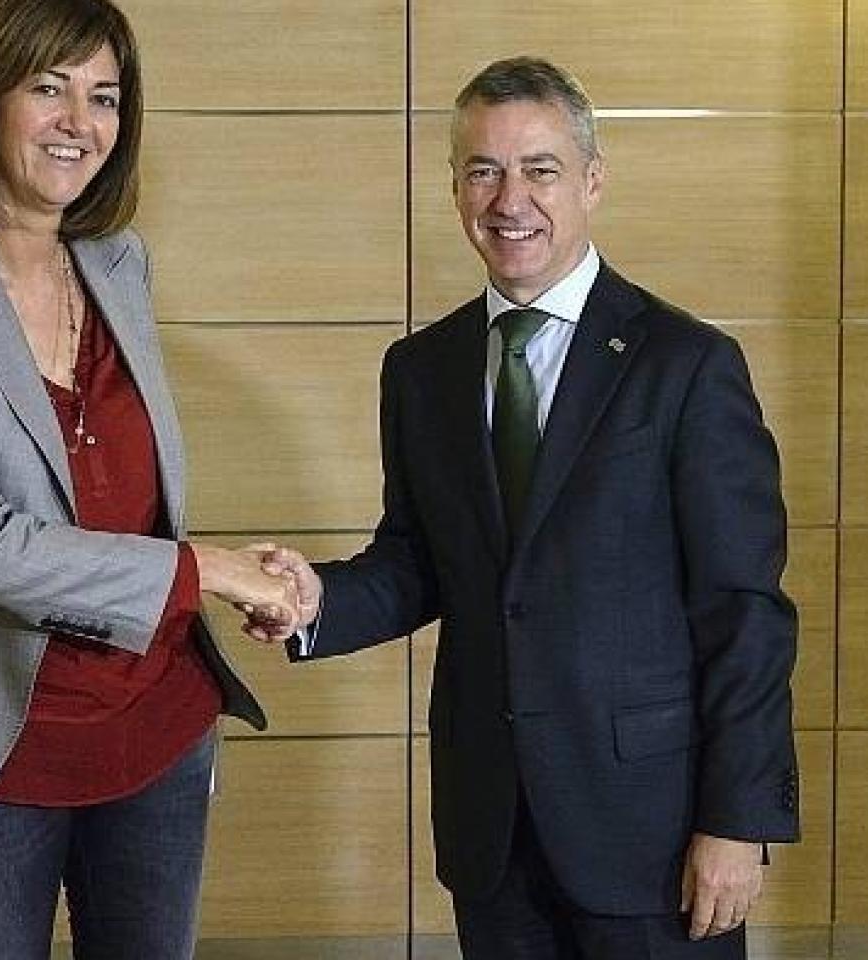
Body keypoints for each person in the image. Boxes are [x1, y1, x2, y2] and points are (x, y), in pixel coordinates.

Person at [251, 57, 799, 959]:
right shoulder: (421, 371)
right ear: (455, 186)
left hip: (650, 833)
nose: (510, 199)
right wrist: (313, 601)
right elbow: (419, 560)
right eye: (482, 170)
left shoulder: (685, 364)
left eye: (539, 169)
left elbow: (745, 610)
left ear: (590, 180)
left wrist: (737, 821)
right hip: (492, 832)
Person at [0, 1, 295, 956]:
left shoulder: (119, 264)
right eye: (49, 88)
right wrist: (206, 572)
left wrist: (229, 566)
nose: (80, 122)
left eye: (105, 96)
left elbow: (130, 494)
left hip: (157, 723)